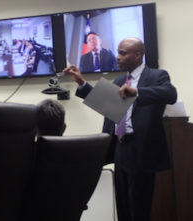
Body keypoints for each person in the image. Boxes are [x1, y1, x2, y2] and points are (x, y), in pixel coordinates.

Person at [63, 37, 177, 221]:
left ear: (138, 54)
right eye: (118, 52)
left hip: (142, 150)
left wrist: (138, 92)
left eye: (123, 53)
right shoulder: (119, 80)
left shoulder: (157, 76)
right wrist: (81, 82)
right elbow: (107, 104)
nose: (117, 57)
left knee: (139, 208)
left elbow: (170, 94)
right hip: (120, 148)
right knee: (123, 206)